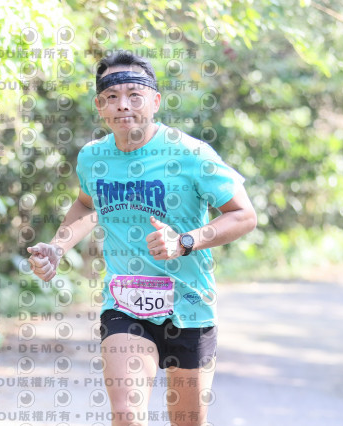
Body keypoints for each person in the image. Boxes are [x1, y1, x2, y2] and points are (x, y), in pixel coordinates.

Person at [27, 50, 257, 426]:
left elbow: (244, 215)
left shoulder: (191, 154)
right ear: (99, 106)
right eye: (112, 97)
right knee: (127, 415)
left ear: (155, 101)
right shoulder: (93, 158)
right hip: (125, 305)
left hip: (190, 306)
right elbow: (87, 204)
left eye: (135, 95)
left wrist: (185, 241)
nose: (123, 105)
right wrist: (57, 247)